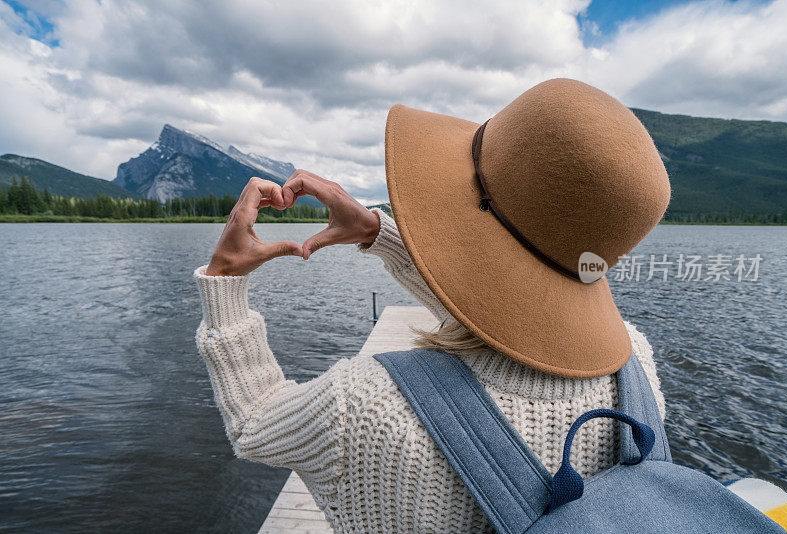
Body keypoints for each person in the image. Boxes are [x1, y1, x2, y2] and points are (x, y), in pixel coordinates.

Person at [194, 79, 670, 533]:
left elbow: (255, 422)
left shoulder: (366, 409)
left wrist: (225, 280)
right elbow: (502, 315)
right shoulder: (638, 368)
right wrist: (376, 233)